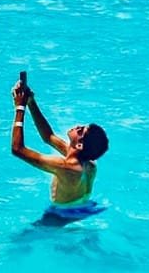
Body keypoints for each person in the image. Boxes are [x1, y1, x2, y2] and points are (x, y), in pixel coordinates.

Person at [10, 74, 109, 227]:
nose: (78, 127)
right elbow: (48, 136)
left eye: (81, 130)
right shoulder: (89, 164)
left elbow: (17, 149)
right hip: (84, 209)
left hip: (60, 218)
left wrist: (19, 107)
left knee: (19, 243)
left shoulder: (67, 168)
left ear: (80, 145)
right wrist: (30, 102)